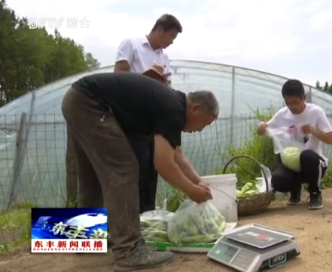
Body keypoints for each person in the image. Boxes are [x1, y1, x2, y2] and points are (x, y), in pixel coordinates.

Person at [62, 72, 217, 271]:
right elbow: (163, 164)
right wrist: (191, 191)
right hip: (91, 103)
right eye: (205, 123)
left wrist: (197, 181)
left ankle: (86, 238)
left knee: (91, 176)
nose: (201, 129)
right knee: (124, 168)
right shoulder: (174, 109)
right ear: (196, 108)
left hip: (78, 100)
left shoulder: (171, 103)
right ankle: (129, 250)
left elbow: (177, 153)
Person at [114, 14, 182, 214]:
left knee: (152, 169)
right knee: (136, 167)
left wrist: (163, 83)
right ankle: (129, 218)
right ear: (160, 29)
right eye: (170, 36)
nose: (171, 42)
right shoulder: (131, 45)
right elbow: (118, 75)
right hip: (130, 116)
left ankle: (147, 215)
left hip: (153, 118)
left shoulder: (164, 57)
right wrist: (145, 77)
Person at [257, 79, 332, 210]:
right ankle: (295, 191)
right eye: (288, 103)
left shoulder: (316, 112)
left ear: (304, 98)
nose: (292, 107)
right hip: (293, 165)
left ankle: (315, 193)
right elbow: (264, 129)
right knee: (277, 181)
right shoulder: (282, 114)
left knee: (307, 155)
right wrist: (261, 127)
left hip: (313, 164)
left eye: (295, 102)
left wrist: (313, 130)